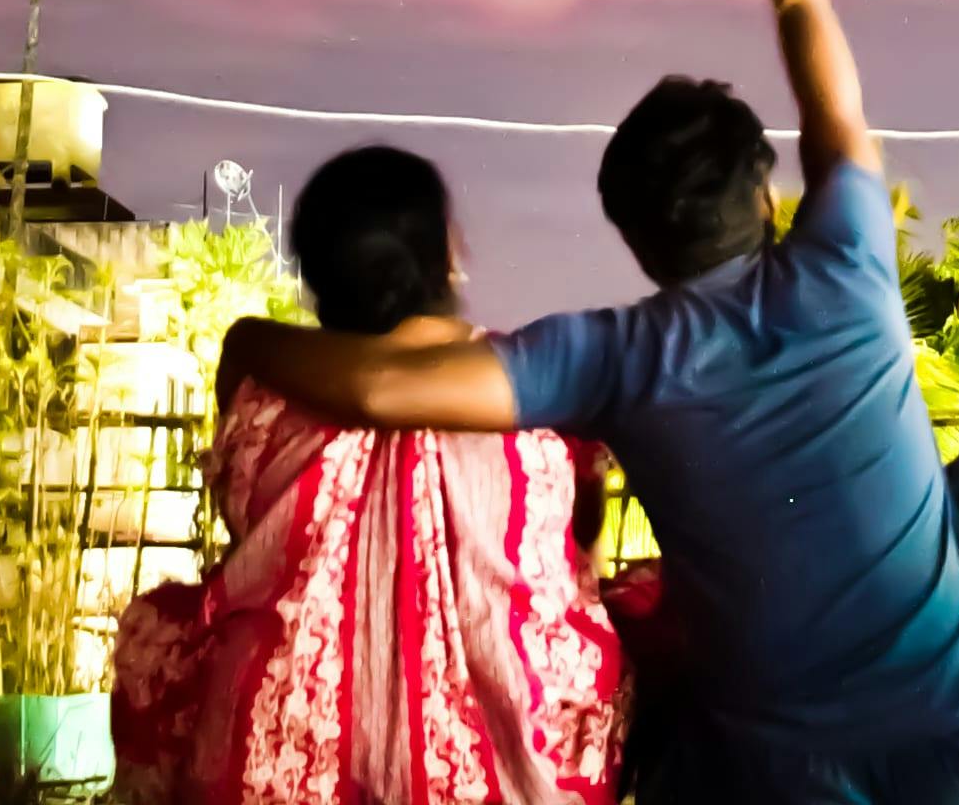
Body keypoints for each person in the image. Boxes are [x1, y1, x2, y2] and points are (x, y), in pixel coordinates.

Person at [220, 0, 959, 805]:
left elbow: (377, 390)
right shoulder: (849, 257)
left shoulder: (612, 357)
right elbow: (836, 111)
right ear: (766, 199)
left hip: (788, 781)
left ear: (640, 246)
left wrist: (249, 340)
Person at [116, 138, 628, 805]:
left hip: (270, 764)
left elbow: (243, 537)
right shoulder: (540, 403)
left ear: (316, 274)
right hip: (505, 773)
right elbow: (574, 556)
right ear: (446, 254)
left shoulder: (261, 400)